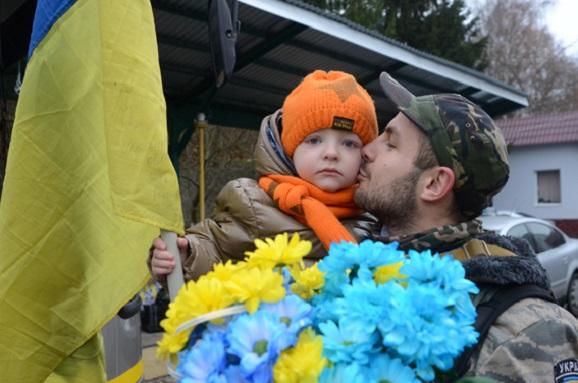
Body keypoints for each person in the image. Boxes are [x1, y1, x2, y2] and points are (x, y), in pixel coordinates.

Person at [354, 71, 578, 382]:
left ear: (433, 183)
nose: (366, 149)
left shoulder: (524, 333)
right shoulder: (354, 262)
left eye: (390, 143)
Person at [150, 70, 378, 282]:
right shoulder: (254, 204)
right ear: (289, 149)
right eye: (314, 140)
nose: (331, 153)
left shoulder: (375, 215)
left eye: (349, 143)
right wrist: (187, 254)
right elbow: (215, 248)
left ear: (366, 154)